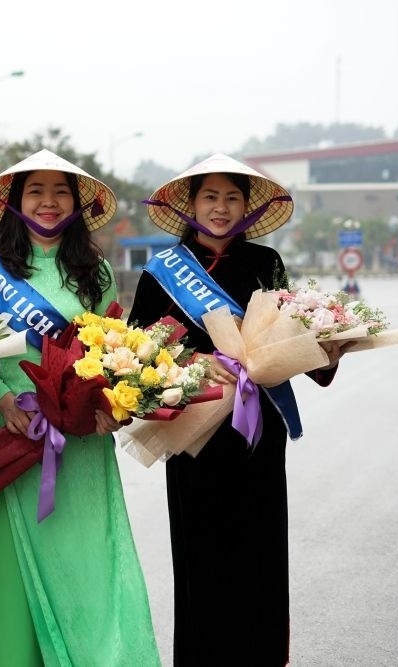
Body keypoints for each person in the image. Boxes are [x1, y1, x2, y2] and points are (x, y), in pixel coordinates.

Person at [127, 153, 351, 666]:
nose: (221, 208)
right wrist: (196, 361)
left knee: (259, 544)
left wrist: (329, 351)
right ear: (191, 205)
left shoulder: (265, 262)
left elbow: (290, 335)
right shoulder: (161, 272)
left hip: (259, 428)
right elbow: (138, 351)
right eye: (210, 196)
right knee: (201, 550)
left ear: (247, 207)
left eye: (233, 198)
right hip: (195, 431)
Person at [0, 149, 161, 666]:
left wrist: (111, 406)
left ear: (76, 202)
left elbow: (115, 349)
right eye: (36, 191)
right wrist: (2, 399)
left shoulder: (95, 270)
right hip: (19, 430)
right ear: (15, 201)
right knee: (21, 563)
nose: (48, 202)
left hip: (83, 440)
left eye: (60, 191)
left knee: (90, 555)